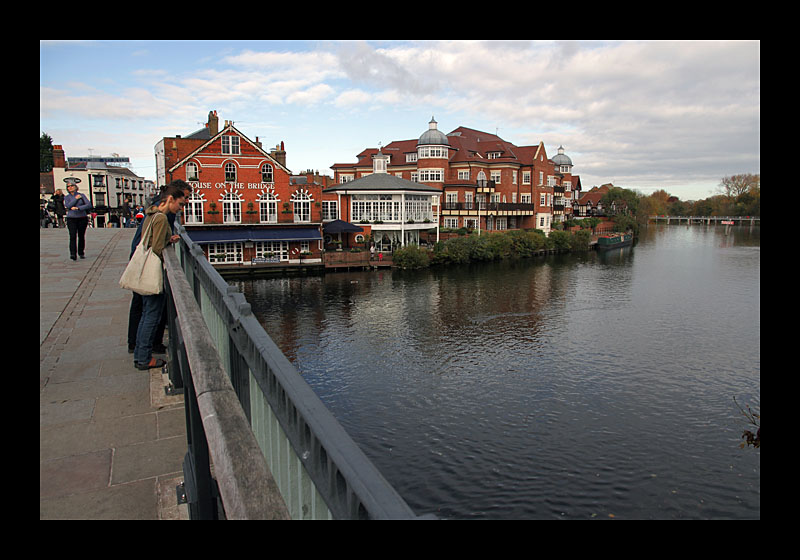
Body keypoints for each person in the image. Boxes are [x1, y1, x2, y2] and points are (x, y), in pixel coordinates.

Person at [127, 180, 191, 355]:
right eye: (181, 202)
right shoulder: (162, 217)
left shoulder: (152, 211)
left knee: (142, 308)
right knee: (151, 312)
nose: (181, 208)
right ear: (171, 199)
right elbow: (156, 247)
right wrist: (168, 240)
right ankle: (144, 352)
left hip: (140, 259)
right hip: (149, 267)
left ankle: (137, 346)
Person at [63, 179, 92, 260]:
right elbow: (68, 206)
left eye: (71, 186)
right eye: (68, 186)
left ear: (75, 187)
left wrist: (79, 208)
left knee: (81, 236)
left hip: (82, 218)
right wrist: (75, 199)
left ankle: (81, 252)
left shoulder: (82, 195)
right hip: (71, 218)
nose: (70, 187)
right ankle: (73, 254)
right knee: (72, 236)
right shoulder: (67, 197)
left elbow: (89, 205)